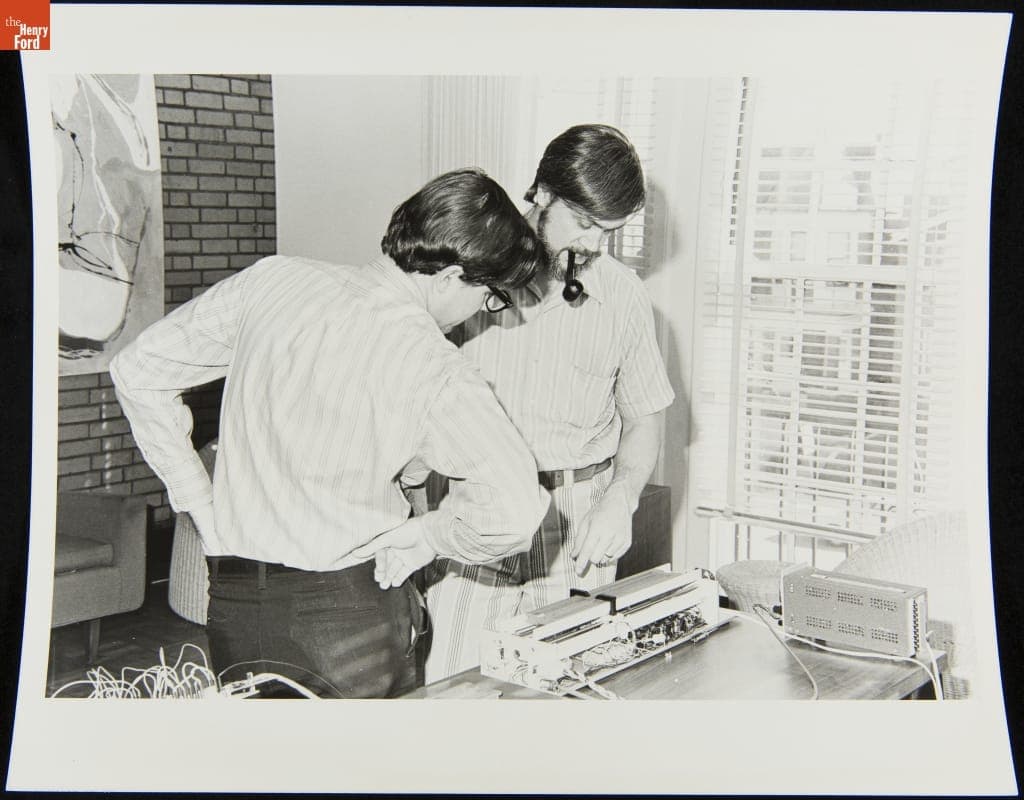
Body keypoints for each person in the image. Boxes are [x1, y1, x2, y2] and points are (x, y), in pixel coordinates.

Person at [110, 168, 551, 698]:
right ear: (452, 276)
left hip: (233, 598)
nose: (487, 312)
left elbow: (137, 370)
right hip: (348, 615)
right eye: (492, 296)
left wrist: (200, 505)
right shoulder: (434, 362)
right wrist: (429, 536)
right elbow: (516, 507)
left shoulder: (271, 279)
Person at [420, 124, 676, 682]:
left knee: (572, 696)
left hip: (580, 529)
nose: (595, 245)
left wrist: (622, 499)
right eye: (584, 223)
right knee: (461, 694)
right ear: (540, 192)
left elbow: (644, 419)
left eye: (611, 230)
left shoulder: (624, 296)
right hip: (477, 517)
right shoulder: (467, 276)